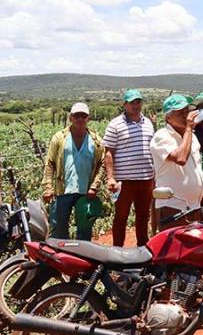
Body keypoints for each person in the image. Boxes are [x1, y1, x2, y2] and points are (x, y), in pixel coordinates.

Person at [42, 102, 105, 240]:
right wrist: (48, 187)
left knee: (84, 230)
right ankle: (60, 259)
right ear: (71, 118)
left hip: (86, 192)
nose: (80, 119)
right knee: (59, 229)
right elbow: (50, 164)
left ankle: (82, 259)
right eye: (77, 116)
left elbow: (102, 164)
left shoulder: (96, 141)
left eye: (83, 116)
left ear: (88, 118)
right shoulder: (59, 138)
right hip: (63, 191)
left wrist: (95, 186)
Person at [103, 89, 156, 247]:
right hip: (124, 181)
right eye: (132, 102)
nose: (135, 105)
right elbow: (108, 153)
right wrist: (111, 177)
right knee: (121, 217)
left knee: (143, 216)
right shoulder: (115, 124)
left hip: (146, 178)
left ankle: (142, 251)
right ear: (124, 104)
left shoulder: (147, 123)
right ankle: (117, 252)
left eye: (138, 102)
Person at [149, 95, 203, 230]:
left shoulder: (191, 136)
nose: (186, 116)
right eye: (181, 113)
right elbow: (181, 158)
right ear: (168, 118)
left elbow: (196, 168)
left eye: (187, 111)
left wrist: (201, 194)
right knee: (175, 249)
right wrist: (188, 129)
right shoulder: (162, 136)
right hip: (173, 206)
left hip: (194, 206)